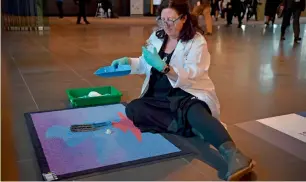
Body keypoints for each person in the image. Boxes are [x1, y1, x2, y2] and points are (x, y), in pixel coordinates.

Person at [110, 0, 255, 180]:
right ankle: (191, 128)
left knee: (193, 112)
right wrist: (128, 62)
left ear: (184, 18)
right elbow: (145, 62)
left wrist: (165, 68)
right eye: (162, 20)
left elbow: (194, 72)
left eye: (171, 19)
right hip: (159, 95)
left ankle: (234, 155)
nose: (166, 25)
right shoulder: (157, 36)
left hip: (186, 93)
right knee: (133, 109)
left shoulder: (196, 41)